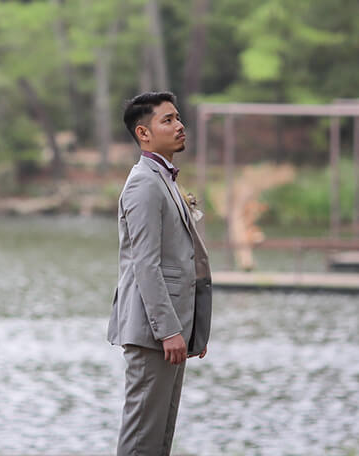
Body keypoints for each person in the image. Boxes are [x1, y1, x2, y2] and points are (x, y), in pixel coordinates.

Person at [108, 91, 212, 456]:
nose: (180, 125)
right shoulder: (144, 183)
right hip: (153, 331)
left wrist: (188, 326)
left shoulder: (164, 179)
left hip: (171, 330)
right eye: (168, 120)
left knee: (159, 437)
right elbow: (145, 264)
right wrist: (169, 329)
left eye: (178, 117)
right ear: (144, 133)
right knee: (142, 437)